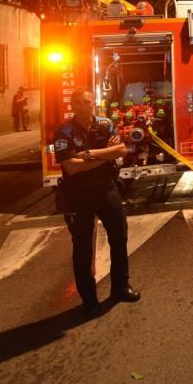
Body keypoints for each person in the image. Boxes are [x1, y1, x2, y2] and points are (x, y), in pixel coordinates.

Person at [54, 87, 139, 317]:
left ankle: (120, 287)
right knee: (82, 248)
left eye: (88, 102)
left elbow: (121, 150)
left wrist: (90, 154)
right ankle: (89, 300)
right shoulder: (64, 132)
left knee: (119, 238)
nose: (85, 106)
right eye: (80, 102)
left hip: (107, 190)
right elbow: (71, 167)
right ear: (73, 105)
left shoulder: (104, 124)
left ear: (94, 104)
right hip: (78, 194)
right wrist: (105, 155)